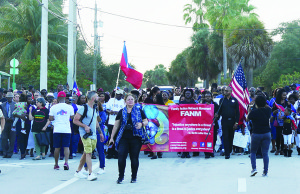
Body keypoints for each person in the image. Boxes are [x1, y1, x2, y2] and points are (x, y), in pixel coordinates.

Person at [108, 94, 148, 184]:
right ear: (125, 101)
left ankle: (134, 177)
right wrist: (111, 138)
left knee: (134, 158)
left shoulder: (139, 111)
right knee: (121, 157)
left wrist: (142, 124)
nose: (130, 101)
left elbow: (146, 121)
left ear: (134, 101)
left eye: (132, 99)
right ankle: (120, 177)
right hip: (123, 138)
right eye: (128, 99)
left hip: (136, 138)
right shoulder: (121, 112)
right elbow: (116, 125)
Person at [73, 91, 104, 181]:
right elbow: (75, 120)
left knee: (86, 152)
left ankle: (78, 171)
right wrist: (85, 126)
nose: (99, 98)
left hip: (93, 134)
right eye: (97, 96)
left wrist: (101, 133)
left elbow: (96, 122)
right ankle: (90, 173)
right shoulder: (83, 108)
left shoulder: (95, 108)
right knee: (89, 153)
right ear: (93, 98)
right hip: (85, 134)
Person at [246, 95, 271, 177]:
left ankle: (254, 169)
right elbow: (267, 107)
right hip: (266, 133)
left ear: (256, 103)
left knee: (253, 152)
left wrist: (249, 110)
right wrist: (264, 103)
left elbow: (247, 119)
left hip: (256, 133)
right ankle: (265, 171)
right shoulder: (268, 110)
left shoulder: (254, 112)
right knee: (265, 153)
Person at [49, 91, 74, 170]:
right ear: (65, 98)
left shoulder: (53, 107)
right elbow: (72, 117)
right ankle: (66, 162)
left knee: (57, 148)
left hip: (57, 129)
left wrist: (56, 117)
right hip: (66, 129)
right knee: (66, 147)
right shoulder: (70, 107)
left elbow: (50, 118)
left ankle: (56, 164)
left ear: (58, 98)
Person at [217, 86, 239, 159]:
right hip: (224, 121)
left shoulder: (235, 100)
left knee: (231, 137)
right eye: (225, 91)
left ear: (231, 92)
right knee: (225, 136)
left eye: (227, 91)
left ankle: (229, 150)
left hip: (232, 121)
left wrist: (236, 122)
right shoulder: (222, 100)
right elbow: (219, 111)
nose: (225, 92)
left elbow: (237, 112)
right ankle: (227, 153)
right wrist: (217, 115)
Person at [106, 89, 125, 159]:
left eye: (119, 94)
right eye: (117, 94)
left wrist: (118, 113)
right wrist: (110, 111)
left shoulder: (123, 101)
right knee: (111, 137)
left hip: (120, 122)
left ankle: (117, 153)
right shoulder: (111, 100)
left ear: (122, 95)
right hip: (111, 122)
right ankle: (110, 152)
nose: (118, 96)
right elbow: (107, 109)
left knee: (118, 137)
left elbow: (125, 111)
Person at [179, 88, 196, 158]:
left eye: (189, 93)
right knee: (183, 138)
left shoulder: (194, 103)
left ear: (191, 94)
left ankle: (188, 152)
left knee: (189, 138)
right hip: (183, 123)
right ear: (184, 95)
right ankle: (183, 152)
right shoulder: (181, 103)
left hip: (191, 123)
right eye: (186, 94)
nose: (187, 95)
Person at [202, 92, 219, 158]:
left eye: (209, 96)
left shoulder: (215, 104)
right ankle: (206, 153)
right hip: (204, 125)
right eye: (206, 96)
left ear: (211, 97)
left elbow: (219, 113)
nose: (208, 97)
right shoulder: (201, 105)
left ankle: (211, 150)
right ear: (204, 97)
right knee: (205, 138)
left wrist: (217, 116)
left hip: (213, 124)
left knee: (214, 138)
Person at [272, 89, 288, 155]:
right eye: (283, 95)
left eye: (285, 95)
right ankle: (277, 149)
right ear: (280, 95)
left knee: (283, 135)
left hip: (285, 121)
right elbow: (272, 112)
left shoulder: (287, 103)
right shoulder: (275, 102)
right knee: (278, 135)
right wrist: (275, 112)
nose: (284, 96)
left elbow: (289, 111)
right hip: (278, 121)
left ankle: (282, 149)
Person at [1, 92, 16, 158]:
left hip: (13, 123)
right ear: (6, 98)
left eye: (11, 97)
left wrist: (12, 118)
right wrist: (5, 118)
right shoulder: (2, 105)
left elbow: (17, 114)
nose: (10, 98)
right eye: (8, 97)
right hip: (5, 122)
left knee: (12, 138)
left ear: (12, 98)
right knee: (4, 138)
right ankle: (5, 152)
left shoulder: (15, 105)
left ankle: (10, 153)